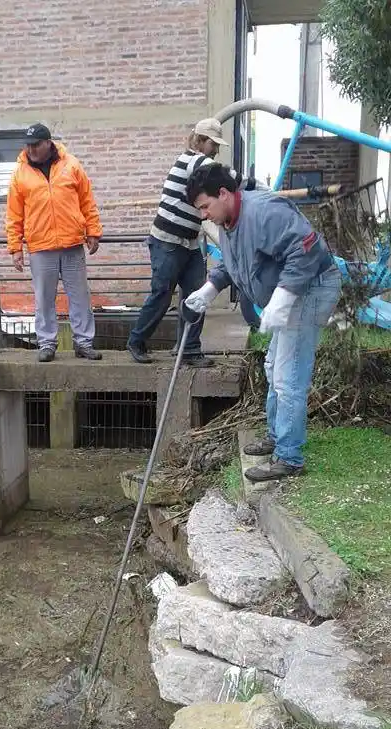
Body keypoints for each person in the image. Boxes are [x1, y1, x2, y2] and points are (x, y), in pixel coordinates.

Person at [184, 163, 341, 481]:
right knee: (273, 368)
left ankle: (289, 458)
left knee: (288, 377)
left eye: (204, 206)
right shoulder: (229, 221)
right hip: (293, 290)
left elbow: (306, 247)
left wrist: (283, 297)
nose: (203, 215)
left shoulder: (263, 212)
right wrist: (209, 288)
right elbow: (233, 264)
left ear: (224, 194)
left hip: (312, 287)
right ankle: (275, 436)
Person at [126, 118, 230, 367]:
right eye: (213, 144)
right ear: (201, 141)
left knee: (197, 295)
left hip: (190, 243)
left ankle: (190, 350)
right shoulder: (191, 161)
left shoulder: (201, 165)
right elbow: (219, 174)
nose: (216, 149)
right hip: (167, 241)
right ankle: (136, 341)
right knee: (162, 294)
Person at [6, 124, 103, 362]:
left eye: (36, 144)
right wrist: (15, 247)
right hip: (40, 246)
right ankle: (47, 343)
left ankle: (83, 342)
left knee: (80, 296)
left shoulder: (72, 165)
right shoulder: (20, 173)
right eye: (28, 145)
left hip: (71, 243)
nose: (31, 149)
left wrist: (93, 231)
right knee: (44, 299)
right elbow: (13, 214)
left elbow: (87, 201)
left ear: (48, 143)